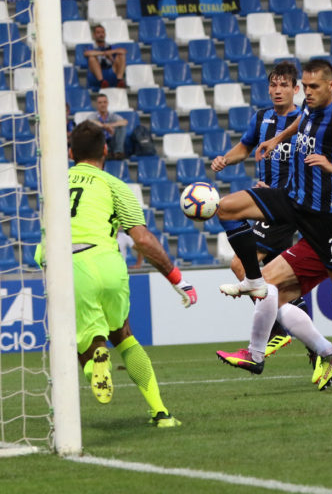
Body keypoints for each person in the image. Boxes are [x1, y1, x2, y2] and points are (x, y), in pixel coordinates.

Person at [215, 59, 332, 389]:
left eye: (314, 87)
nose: (308, 92)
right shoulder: (308, 109)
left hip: (323, 220)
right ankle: (257, 350)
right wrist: (277, 139)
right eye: (304, 87)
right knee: (226, 209)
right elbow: (300, 122)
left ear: (331, 86)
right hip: (293, 202)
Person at [40, 120, 197, 426]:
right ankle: (160, 412)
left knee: (85, 345)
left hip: (70, 265)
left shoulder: (54, 186)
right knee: (124, 337)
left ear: (71, 152)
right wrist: (178, 279)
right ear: (106, 151)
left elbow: (46, 242)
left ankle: (95, 365)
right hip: (109, 262)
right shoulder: (115, 186)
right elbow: (142, 239)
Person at [217, 146, 332, 390]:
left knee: (268, 285)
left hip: (328, 232)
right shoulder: (308, 142)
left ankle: (257, 355)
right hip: (312, 232)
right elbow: (303, 192)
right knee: (277, 295)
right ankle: (327, 351)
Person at [211, 61, 302, 356]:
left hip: (285, 205)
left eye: (284, 85)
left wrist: (283, 190)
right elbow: (244, 146)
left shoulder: (305, 122)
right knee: (280, 289)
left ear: (295, 89)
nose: (277, 90)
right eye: (273, 85)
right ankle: (321, 350)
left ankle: (274, 331)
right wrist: (226, 158)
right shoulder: (261, 118)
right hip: (267, 207)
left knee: (240, 265)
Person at [84, 24, 126, 89]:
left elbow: (123, 51)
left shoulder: (110, 46)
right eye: (98, 33)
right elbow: (87, 53)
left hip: (111, 71)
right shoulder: (91, 47)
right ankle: (102, 82)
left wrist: (111, 53)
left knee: (121, 55)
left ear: (105, 34)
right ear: (94, 35)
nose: (101, 34)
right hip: (95, 75)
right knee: (91, 58)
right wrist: (103, 53)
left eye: (103, 32)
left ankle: (119, 81)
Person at [88, 93, 127, 159]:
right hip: (100, 143)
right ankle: (105, 152)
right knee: (94, 128)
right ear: (97, 104)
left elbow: (125, 122)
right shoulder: (93, 116)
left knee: (122, 127)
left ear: (107, 103)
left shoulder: (112, 115)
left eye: (104, 102)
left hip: (112, 141)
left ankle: (118, 153)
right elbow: (88, 121)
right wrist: (103, 126)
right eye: (100, 103)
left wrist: (110, 125)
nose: (103, 105)